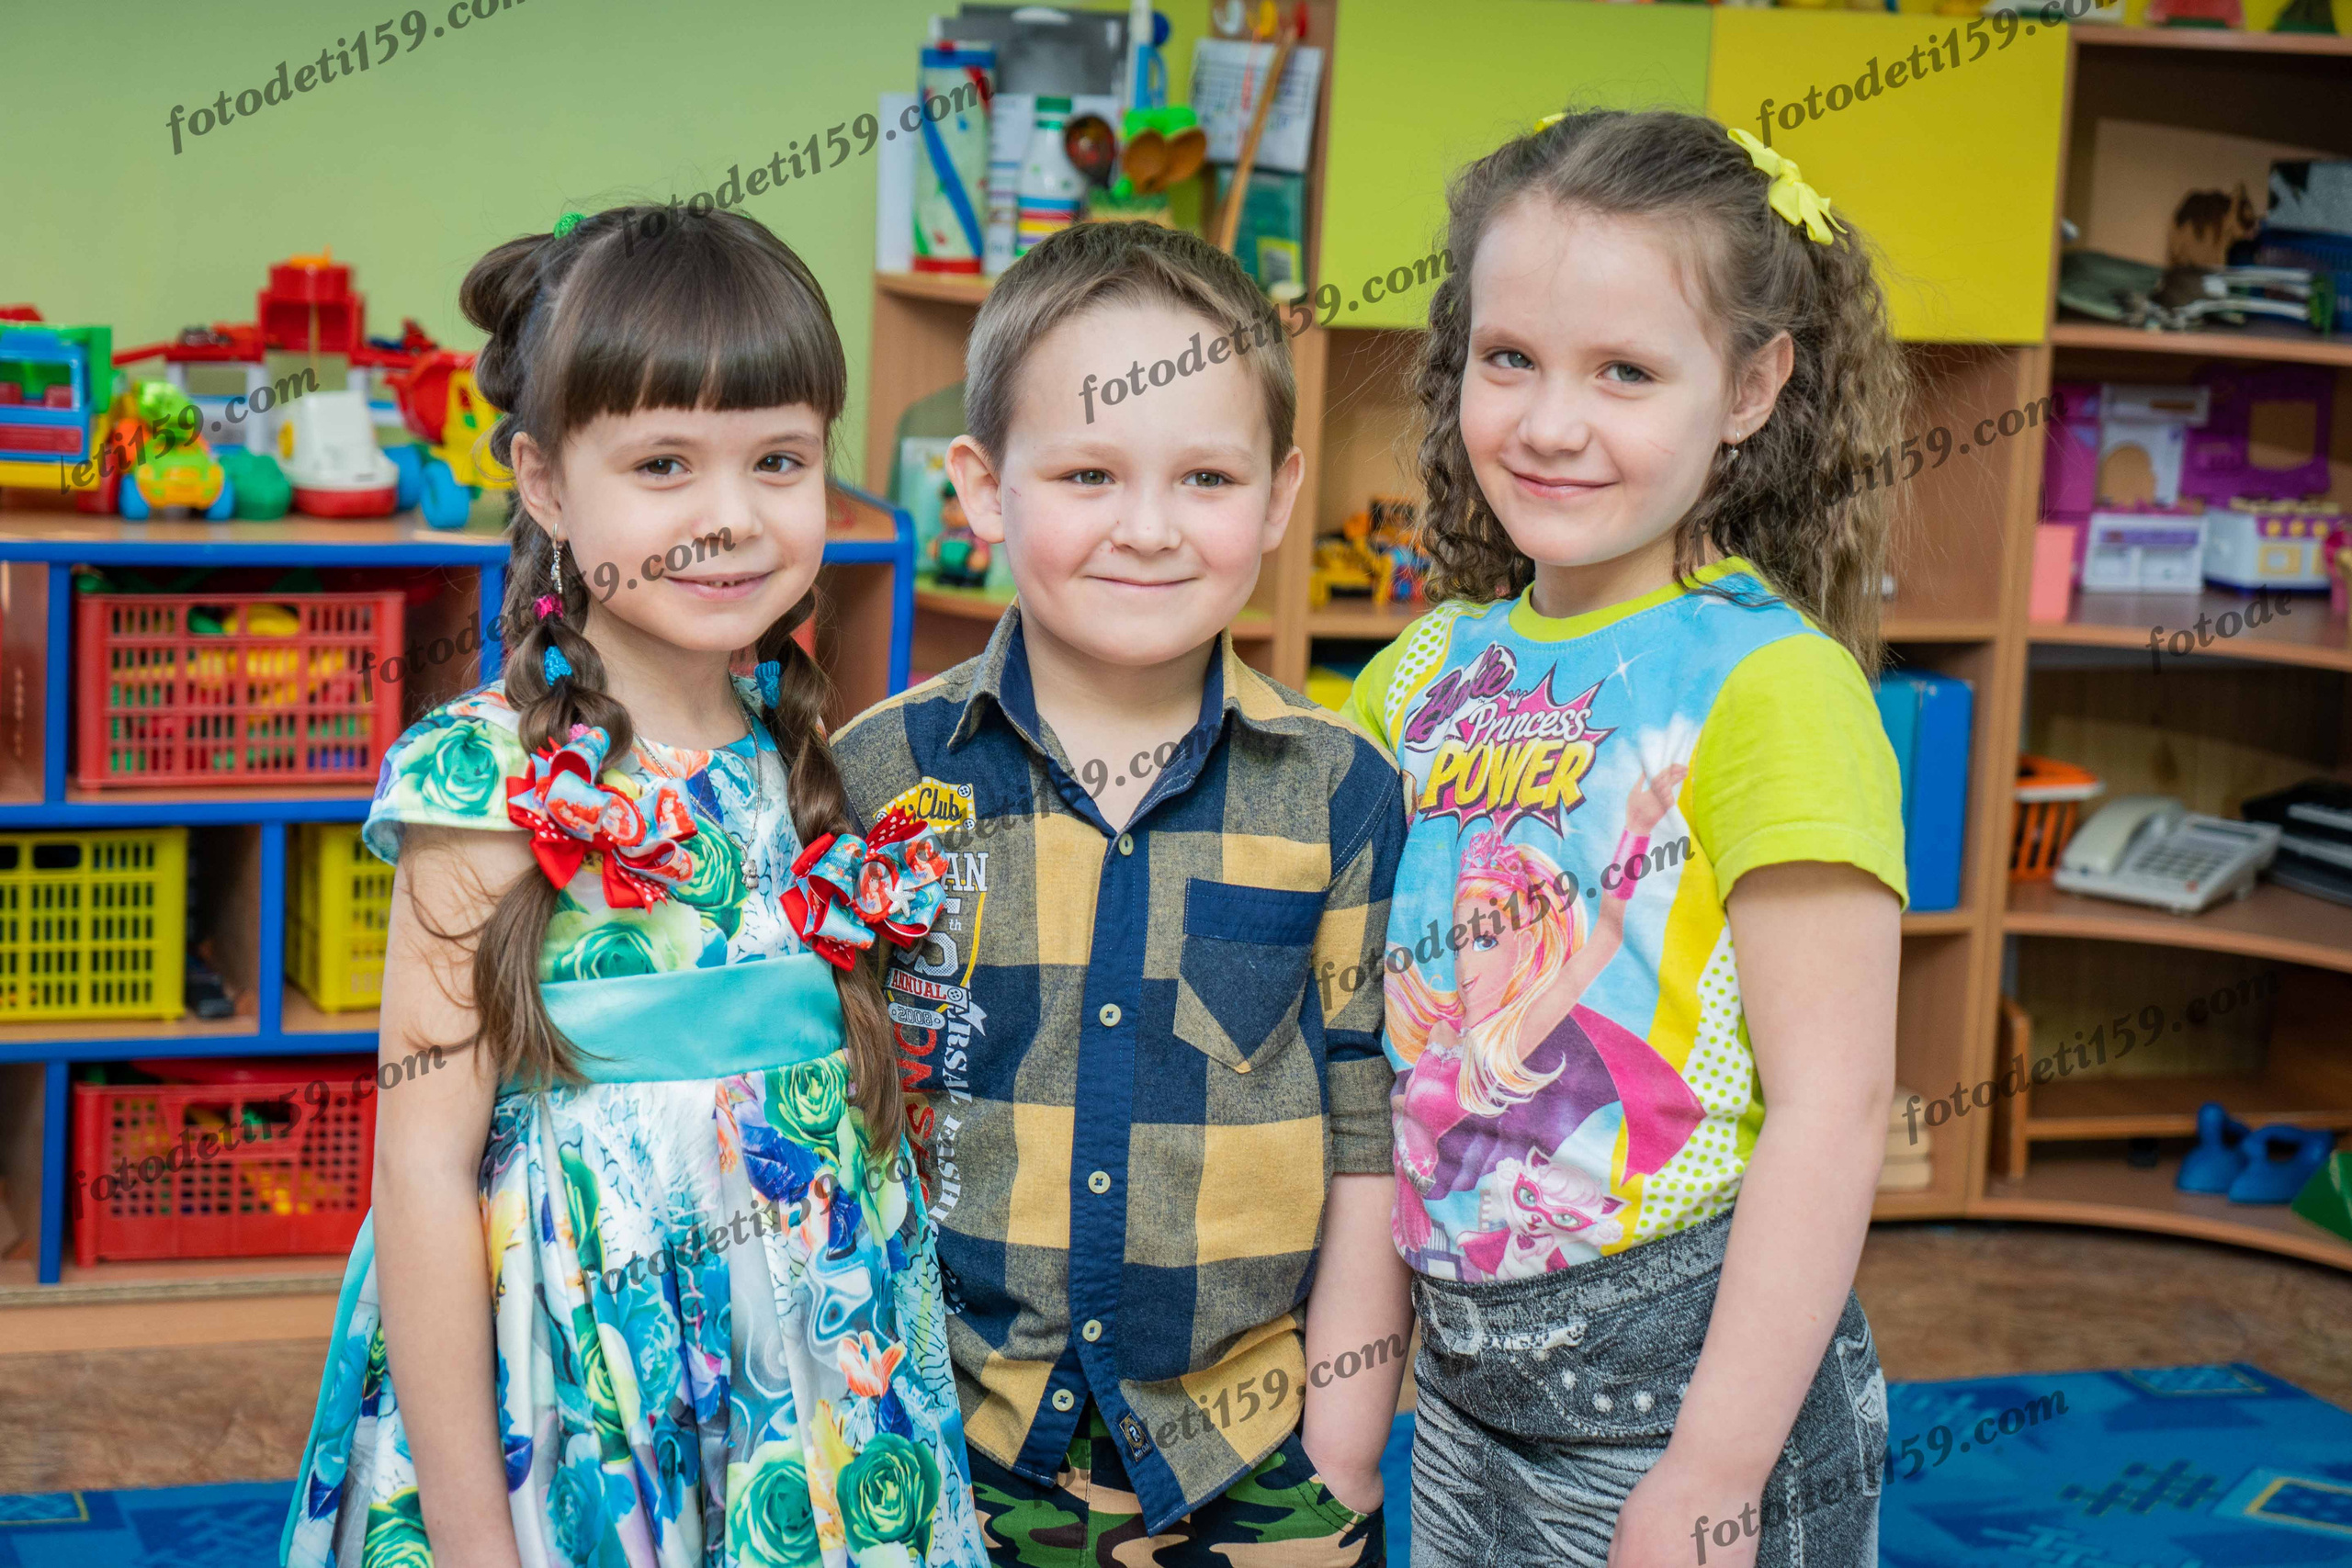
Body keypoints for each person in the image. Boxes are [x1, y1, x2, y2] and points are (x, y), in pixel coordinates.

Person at [281, 206, 988, 1568]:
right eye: (664, 464)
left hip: (813, 1390)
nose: (731, 516)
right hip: (575, 1396)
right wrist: (475, 1538)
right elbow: (420, 1172)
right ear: (546, 485)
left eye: (780, 461)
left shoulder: (804, 757)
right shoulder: (485, 780)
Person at [1343, 110, 1911, 1567]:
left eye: (1626, 373)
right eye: (1509, 358)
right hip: (1462, 1384)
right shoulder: (1416, 676)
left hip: (1684, 1394)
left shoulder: (1772, 687)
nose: (1549, 423)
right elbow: (1371, 1067)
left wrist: (1715, 1469)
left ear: (1752, 388)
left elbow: (1834, 1111)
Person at [832, 220, 1412, 1565]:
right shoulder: (877, 775)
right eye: (1088, 473)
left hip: (1256, 1463)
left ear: (1278, 495)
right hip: (948, 1442)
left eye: (1206, 477)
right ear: (984, 490)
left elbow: (1368, 1126)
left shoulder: (1340, 792)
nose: (1148, 529)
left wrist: (1342, 1454)